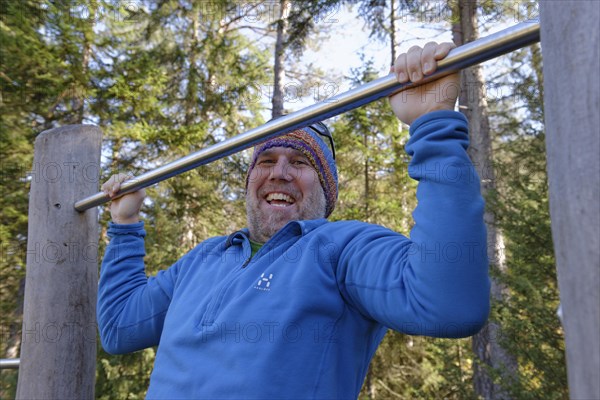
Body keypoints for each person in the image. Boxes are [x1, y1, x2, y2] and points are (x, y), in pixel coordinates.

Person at [98, 42, 490, 399]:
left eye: (301, 163)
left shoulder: (343, 250)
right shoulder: (202, 261)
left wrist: (433, 124)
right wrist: (126, 225)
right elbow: (119, 328)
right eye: (266, 161)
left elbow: (449, 306)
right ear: (250, 181)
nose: (280, 172)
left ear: (327, 191)